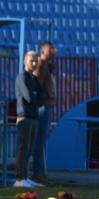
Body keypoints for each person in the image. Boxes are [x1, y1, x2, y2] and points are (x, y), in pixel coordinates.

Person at [14, 51, 47, 188]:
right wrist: (35, 95)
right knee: (24, 147)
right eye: (31, 61)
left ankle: (25, 177)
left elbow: (43, 95)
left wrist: (36, 95)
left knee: (30, 149)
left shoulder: (33, 79)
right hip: (25, 117)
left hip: (34, 117)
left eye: (35, 61)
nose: (34, 63)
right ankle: (19, 178)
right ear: (25, 61)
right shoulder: (22, 77)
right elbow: (28, 97)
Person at [31, 41, 57, 187]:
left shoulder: (46, 67)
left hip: (47, 105)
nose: (53, 53)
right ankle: (38, 174)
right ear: (42, 52)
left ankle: (40, 173)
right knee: (40, 141)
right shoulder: (40, 67)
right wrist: (45, 98)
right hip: (44, 107)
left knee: (41, 141)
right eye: (50, 51)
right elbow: (37, 87)